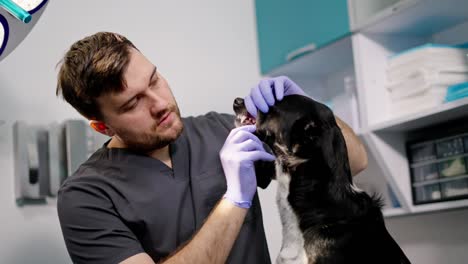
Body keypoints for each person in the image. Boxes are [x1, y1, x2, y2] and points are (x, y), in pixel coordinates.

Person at [55, 32, 368, 264]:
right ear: (103, 126)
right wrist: (234, 200)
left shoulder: (222, 130)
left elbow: (355, 161)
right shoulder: (87, 195)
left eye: (154, 80)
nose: (160, 103)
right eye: (133, 103)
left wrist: (311, 111)